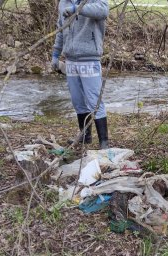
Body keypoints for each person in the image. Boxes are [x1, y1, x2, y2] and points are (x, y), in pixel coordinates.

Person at [51, 0, 110, 149]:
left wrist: (77, 8)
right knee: (78, 100)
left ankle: (104, 142)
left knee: (94, 101)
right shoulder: (63, 2)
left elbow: (103, 10)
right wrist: (56, 53)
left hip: (90, 58)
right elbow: (61, 28)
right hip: (70, 59)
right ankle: (85, 136)